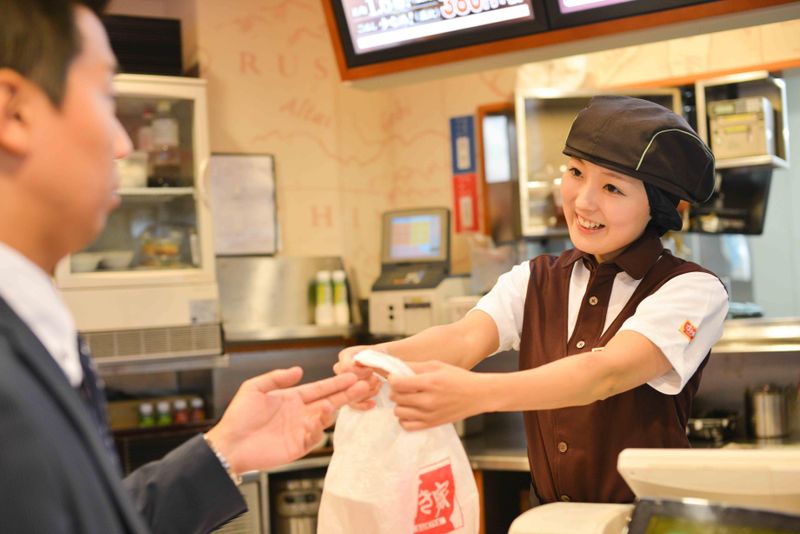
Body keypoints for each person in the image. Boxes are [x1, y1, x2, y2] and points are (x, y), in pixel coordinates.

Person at [0, 0, 369, 532]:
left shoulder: (33, 322)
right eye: (106, 96)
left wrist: (225, 450)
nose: (124, 145)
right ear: (14, 111)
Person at [337, 95, 729, 505]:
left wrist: (476, 393)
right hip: (553, 521)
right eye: (576, 172)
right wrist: (376, 357)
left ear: (657, 208)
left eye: (612, 187)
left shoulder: (691, 289)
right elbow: (463, 339)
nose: (583, 201)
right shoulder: (536, 278)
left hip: (648, 522)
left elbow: (607, 373)